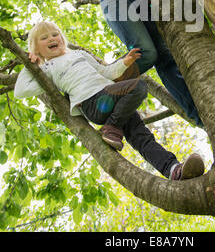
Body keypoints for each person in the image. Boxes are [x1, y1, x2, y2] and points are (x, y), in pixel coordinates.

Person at [14, 21, 205, 181]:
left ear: (62, 39)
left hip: (116, 102)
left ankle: (173, 170)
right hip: (94, 104)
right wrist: (30, 64)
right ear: (36, 49)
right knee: (138, 87)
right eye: (44, 38)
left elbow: (106, 72)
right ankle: (111, 127)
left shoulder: (79, 54)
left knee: (142, 138)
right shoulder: (48, 69)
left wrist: (125, 62)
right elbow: (20, 91)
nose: (52, 39)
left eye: (55, 34)